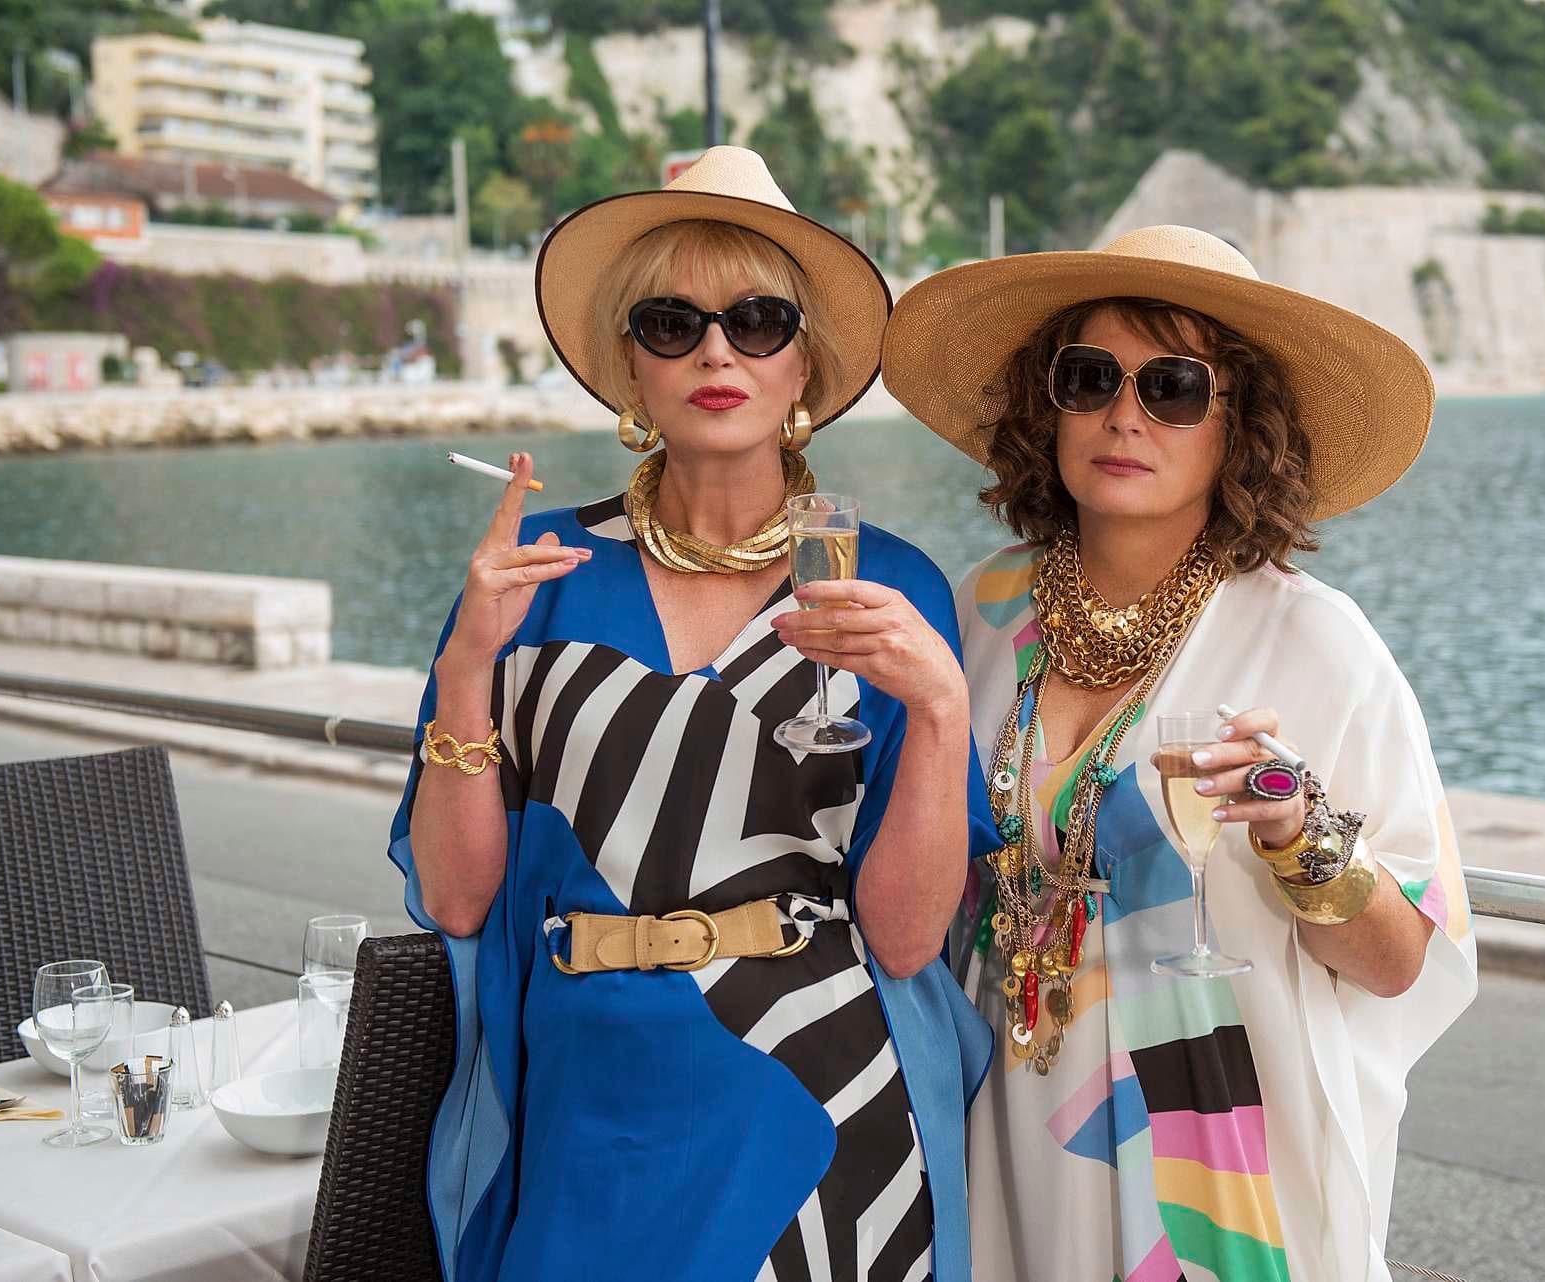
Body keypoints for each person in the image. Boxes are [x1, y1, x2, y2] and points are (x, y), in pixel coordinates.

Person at [387, 148, 994, 1282]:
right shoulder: (535, 575)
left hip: (822, 1110)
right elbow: (458, 898)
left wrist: (944, 708)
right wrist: (468, 666)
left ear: (803, 361)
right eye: (673, 324)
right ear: (631, 364)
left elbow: (910, 939)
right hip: (588, 1104)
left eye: (758, 321)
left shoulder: (887, 585)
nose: (718, 352)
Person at [881, 225, 1479, 1282]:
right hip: (1002, 1128)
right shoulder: (979, 610)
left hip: (1208, 1158)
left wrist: (1298, 830)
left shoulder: (1314, 642)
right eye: (1090, 378)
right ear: (1047, 405)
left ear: (1239, 427)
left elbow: (1399, 964)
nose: (1125, 415)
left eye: (1174, 388)